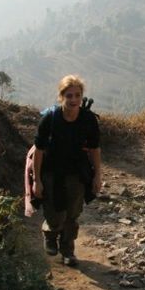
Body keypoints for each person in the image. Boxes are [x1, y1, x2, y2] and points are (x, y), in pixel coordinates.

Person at [32, 74, 102, 266]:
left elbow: (95, 149)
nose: (73, 100)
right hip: (51, 172)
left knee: (72, 213)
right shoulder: (50, 119)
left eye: (77, 95)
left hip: (76, 173)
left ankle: (68, 251)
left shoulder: (88, 120)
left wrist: (97, 175)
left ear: (82, 96)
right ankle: (50, 232)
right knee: (54, 213)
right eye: (69, 95)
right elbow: (38, 152)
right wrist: (37, 180)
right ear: (61, 96)